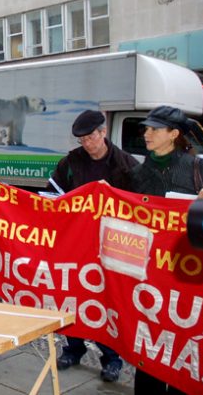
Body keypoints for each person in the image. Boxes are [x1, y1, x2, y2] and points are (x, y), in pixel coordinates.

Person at [130, 106, 203, 394]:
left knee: (186, 346)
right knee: (149, 347)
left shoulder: (199, 168)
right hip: (150, 276)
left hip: (187, 274)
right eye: (146, 129)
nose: (147, 133)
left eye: (154, 129)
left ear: (173, 134)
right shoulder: (136, 172)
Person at [49, 110, 136, 383]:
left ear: (103, 132)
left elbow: (136, 209)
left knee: (104, 301)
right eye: (82, 140)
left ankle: (111, 358)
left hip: (108, 247)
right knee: (72, 295)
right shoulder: (71, 162)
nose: (87, 144)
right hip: (75, 243)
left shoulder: (126, 164)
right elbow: (53, 195)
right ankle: (72, 348)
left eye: (91, 137)